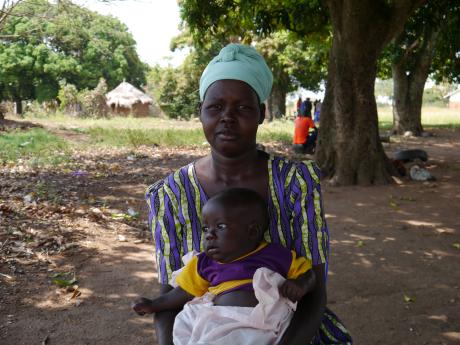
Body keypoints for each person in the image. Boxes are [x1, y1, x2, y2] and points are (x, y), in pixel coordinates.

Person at [145, 43, 352, 345]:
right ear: (200, 112)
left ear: (261, 114)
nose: (227, 117)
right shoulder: (169, 195)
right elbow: (169, 298)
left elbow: (314, 290)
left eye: (242, 107)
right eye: (215, 107)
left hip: (290, 332)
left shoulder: (296, 183)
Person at [133, 188, 315, 344]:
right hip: (219, 322)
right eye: (206, 229)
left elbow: (309, 274)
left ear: (252, 231)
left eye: (220, 226)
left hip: (264, 324)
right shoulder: (204, 263)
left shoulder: (276, 255)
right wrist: (154, 304)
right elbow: (183, 292)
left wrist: (300, 284)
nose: (209, 235)